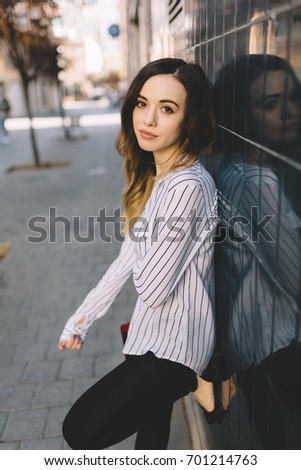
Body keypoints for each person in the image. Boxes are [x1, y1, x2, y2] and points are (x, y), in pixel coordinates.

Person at [58, 57, 218, 450]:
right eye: (142, 103)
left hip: (176, 348)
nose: (148, 119)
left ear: (189, 119)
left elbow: (152, 287)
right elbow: (125, 262)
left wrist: (146, 234)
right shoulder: (156, 176)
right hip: (150, 334)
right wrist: (80, 319)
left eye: (167, 109)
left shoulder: (185, 187)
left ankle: (198, 377)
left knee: (79, 431)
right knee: (151, 436)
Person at [214, 54, 301, 449]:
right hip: (274, 347)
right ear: (241, 115)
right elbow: (296, 277)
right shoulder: (258, 182)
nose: (290, 113)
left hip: (251, 344)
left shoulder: (232, 167)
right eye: (270, 104)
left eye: (292, 97)